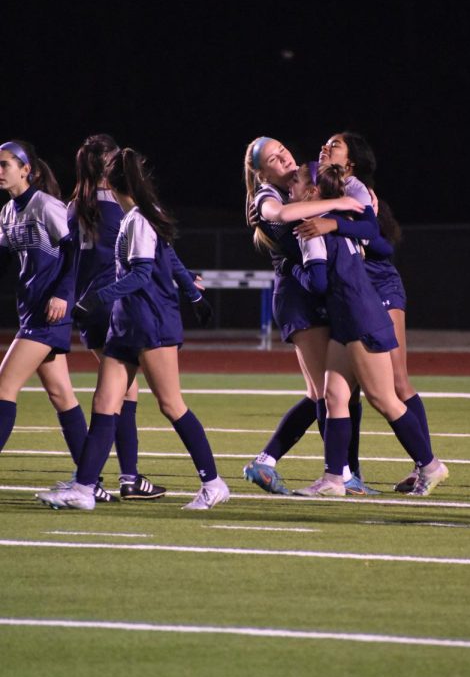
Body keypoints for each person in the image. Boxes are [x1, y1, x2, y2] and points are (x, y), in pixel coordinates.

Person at [37, 145, 228, 512]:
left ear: (111, 180)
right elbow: (169, 258)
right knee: (105, 403)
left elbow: (142, 275)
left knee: (171, 404)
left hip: (150, 322)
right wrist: (193, 294)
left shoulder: (138, 220)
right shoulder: (132, 217)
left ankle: (213, 482)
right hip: (124, 325)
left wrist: (95, 298)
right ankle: (83, 488)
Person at [289, 161, 448, 497]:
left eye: (296, 181)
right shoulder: (343, 222)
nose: (291, 186)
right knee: (335, 396)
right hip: (350, 318)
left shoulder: (311, 227)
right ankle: (334, 478)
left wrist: (293, 271)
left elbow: (317, 282)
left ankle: (430, 465)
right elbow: (371, 237)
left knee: (384, 398)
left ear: (311, 192)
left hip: (359, 317)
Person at [242, 136, 369, 496]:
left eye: (282, 149)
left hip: (320, 293)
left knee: (342, 391)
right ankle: (337, 473)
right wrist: (342, 203)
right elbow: (281, 215)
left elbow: (360, 207)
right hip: (299, 296)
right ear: (260, 171)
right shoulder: (266, 195)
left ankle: (344, 472)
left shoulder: (307, 183)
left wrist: (351, 202)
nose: (283, 157)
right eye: (272, 158)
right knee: (326, 393)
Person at [0, 139, 88, 476]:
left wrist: (63, 295)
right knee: (61, 394)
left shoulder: (46, 205)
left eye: (5, 164)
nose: (0, 171)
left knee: (4, 388)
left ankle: (88, 479)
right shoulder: (8, 212)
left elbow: (73, 251)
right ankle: (89, 479)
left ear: (26, 170)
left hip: (48, 313)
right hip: (32, 311)